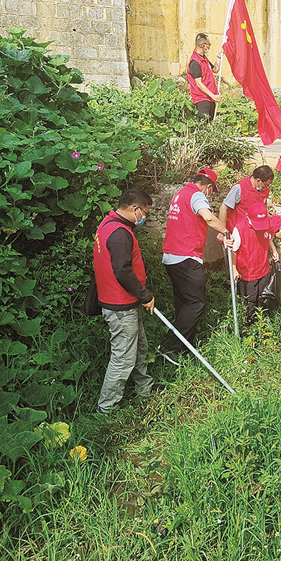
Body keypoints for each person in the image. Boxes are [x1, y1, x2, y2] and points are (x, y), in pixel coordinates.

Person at [93, 189, 156, 414]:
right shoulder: (119, 233)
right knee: (122, 360)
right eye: (144, 213)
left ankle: (144, 389)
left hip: (125, 302)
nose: (144, 218)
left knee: (139, 347)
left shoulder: (107, 224)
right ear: (134, 209)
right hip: (120, 305)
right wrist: (145, 295)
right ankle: (106, 409)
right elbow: (122, 271)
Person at [158, 168, 225, 363]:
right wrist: (227, 232)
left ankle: (184, 347)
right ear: (208, 186)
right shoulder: (197, 195)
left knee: (184, 302)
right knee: (196, 303)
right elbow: (209, 217)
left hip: (171, 256)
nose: (211, 195)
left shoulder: (181, 194)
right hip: (186, 257)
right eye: (212, 191)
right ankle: (170, 347)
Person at [227, 201, 281, 327]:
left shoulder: (266, 223)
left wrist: (273, 250)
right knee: (250, 300)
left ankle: (263, 320)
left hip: (263, 268)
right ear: (247, 216)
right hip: (248, 272)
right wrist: (234, 269)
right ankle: (250, 326)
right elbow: (233, 251)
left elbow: (268, 237)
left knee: (263, 296)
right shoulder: (239, 229)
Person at [217, 165, 274, 234]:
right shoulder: (239, 188)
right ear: (258, 180)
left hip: (254, 231)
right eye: (266, 185)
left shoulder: (264, 190)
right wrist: (222, 231)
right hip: (237, 232)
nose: (267, 188)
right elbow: (223, 208)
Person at [186, 33, 220, 118]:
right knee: (204, 126)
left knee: (210, 125)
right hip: (202, 99)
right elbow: (199, 83)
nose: (209, 47)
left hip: (211, 98)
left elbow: (215, 70)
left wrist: (219, 57)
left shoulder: (204, 59)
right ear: (202, 45)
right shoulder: (195, 62)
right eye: (209, 44)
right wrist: (213, 96)